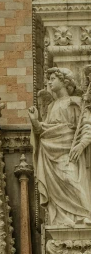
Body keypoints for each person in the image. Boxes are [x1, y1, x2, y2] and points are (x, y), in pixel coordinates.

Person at [29, 67, 91, 226]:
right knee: (57, 185)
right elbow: (44, 130)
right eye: (48, 78)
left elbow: (86, 125)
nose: (49, 81)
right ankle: (64, 218)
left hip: (68, 149)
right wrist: (35, 121)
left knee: (70, 179)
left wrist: (81, 145)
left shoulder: (76, 102)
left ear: (64, 81)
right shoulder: (50, 106)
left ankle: (85, 213)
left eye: (53, 78)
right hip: (50, 150)